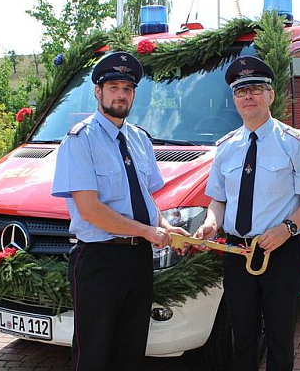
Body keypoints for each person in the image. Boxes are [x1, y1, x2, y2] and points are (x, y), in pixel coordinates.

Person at [51, 51, 188, 371]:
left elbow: (146, 199)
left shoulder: (140, 139)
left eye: (127, 88)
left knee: (131, 349)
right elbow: (90, 210)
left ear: (134, 94)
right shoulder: (79, 140)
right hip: (99, 261)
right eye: (113, 87)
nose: (121, 94)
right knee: (94, 353)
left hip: (138, 260)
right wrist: (146, 231)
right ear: (97, 92)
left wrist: (166, 226)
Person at [194, 55, 300, 371]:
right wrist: (211, 224)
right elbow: (219, 201)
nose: (248, 96)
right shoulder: (226, 147)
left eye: (255, 88)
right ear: (234, 99)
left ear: (270, 95)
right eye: (241, 91)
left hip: (281, 253)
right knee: (243, 336)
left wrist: (288, 228)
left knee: (280, 338)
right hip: (238, 252)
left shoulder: (295, 143)